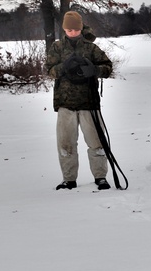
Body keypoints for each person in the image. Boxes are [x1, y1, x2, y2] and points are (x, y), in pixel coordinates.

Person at [46, 10, 115, 190]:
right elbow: (49, 70)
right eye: (69, 30)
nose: (73, 33)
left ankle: (100, 177)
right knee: (66, 144)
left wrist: (95, 70)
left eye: (76, 30)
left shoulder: (91, 48)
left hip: (89, 103)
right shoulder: (57, 48)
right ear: (64, 29)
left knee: (96, 143)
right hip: (65, 103)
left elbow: (108, 67)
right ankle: (69, 179)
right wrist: (63, 66)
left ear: (81, 28)